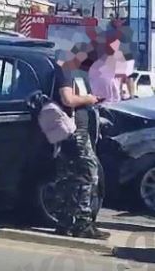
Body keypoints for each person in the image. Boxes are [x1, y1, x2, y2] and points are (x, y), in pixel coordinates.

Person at [51, 49, 110, 240]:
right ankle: (83, 224)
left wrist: (93, 101)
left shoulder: (80, 74)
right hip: (74, 131)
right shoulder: (64, 70)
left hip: (78, 129)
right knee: (89, 173)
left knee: (71, 176)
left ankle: (65, 222)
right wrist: (89, 99)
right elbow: (67, 99)